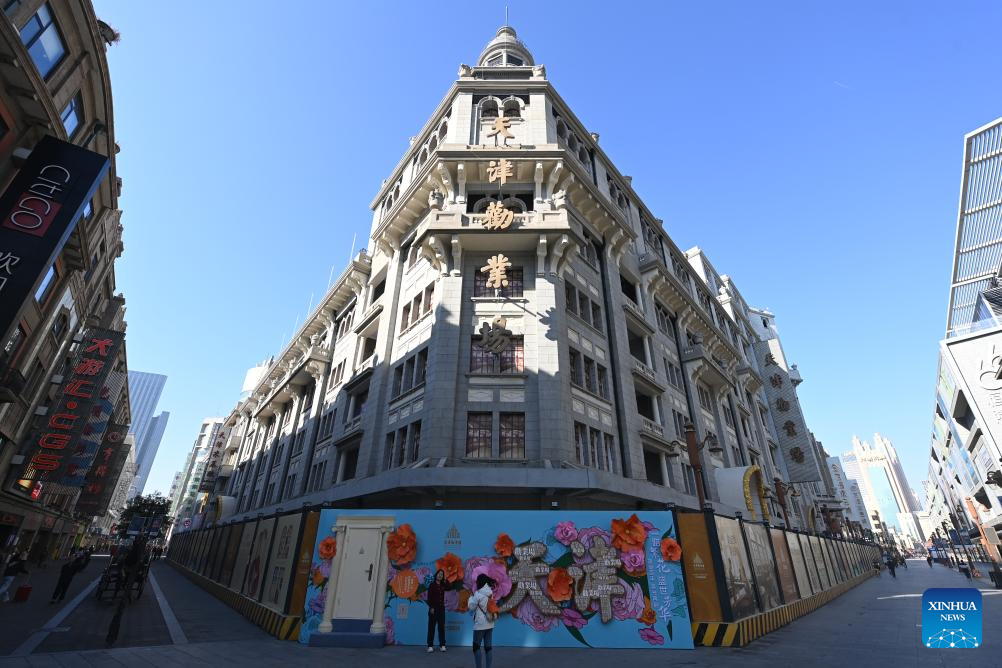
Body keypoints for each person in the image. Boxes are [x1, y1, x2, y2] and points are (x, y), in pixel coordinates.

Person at [469, 574, 496, 668]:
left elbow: (471, 607)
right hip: (490, 622)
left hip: (480, 624)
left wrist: (470, 598)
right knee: (488, 647)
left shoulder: (478, 594)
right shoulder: (490, 592)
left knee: (476, 646)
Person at [426, 569, 447, 653]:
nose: (440, 575)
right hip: (433, 609)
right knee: (431, 628)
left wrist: (446, 580)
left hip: (441, 609)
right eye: (439, 574)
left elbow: (450, 587)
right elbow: (429, 597)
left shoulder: (443, 585)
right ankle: (430, 646)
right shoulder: (432, 585)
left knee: (441, 627)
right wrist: (431, 607)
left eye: (442, 574)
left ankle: (442, 645)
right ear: (436, 575)